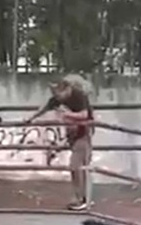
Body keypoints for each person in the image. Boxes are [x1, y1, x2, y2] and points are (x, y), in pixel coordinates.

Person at [25, 74, 94, 211]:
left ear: (67, 89)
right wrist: (30, 118)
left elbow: (85, 115)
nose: (58, 99)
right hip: (72, 134)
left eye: (59, 95)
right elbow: (45, 107)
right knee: (78, 167)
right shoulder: (57, 99)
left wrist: (67, 115)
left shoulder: (78, 96)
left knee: (76, 165)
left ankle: (83, 199)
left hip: (83, 132)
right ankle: (82, 197)